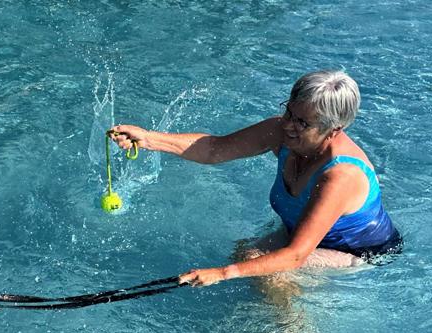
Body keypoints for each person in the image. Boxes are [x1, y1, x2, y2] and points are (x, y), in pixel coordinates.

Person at [110, 70, 402, 289]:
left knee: (266, 267)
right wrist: (148, 139)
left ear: (334, 130)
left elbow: (296, 255)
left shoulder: (339, 176)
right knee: (247, 253)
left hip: (361, 254)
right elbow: (214, 149)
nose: (288, 125)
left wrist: (222, 273)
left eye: (303, 123)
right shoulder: (282, 133)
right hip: (302, 235)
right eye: (289, 111)